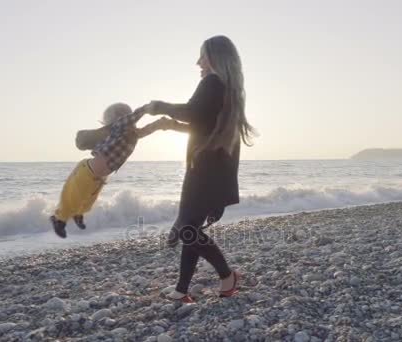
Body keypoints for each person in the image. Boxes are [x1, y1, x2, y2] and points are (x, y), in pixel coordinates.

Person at [142, 35, 256, 302]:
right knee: (190, 228)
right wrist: (170, 125)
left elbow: (193, 113)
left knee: (187, 230)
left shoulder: (213, 82)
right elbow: (203, 125)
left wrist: (159, 106)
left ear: (216, 58)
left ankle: (227, 275)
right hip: (212, 168)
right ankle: (182, 290)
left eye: (202, 56)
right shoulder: (227, 88)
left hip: (206, 169)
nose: (198, 62)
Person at [50, 103, 182, 238]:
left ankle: (78, 214)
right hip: (87, 171)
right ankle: (59, 219)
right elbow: (133, 117)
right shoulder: (118, 126)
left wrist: (160, 124)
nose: (133, 124)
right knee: (73, 197)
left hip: (99, 176)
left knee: (89, 199)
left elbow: (147, 129)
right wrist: (145, 109)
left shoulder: (134, 134)